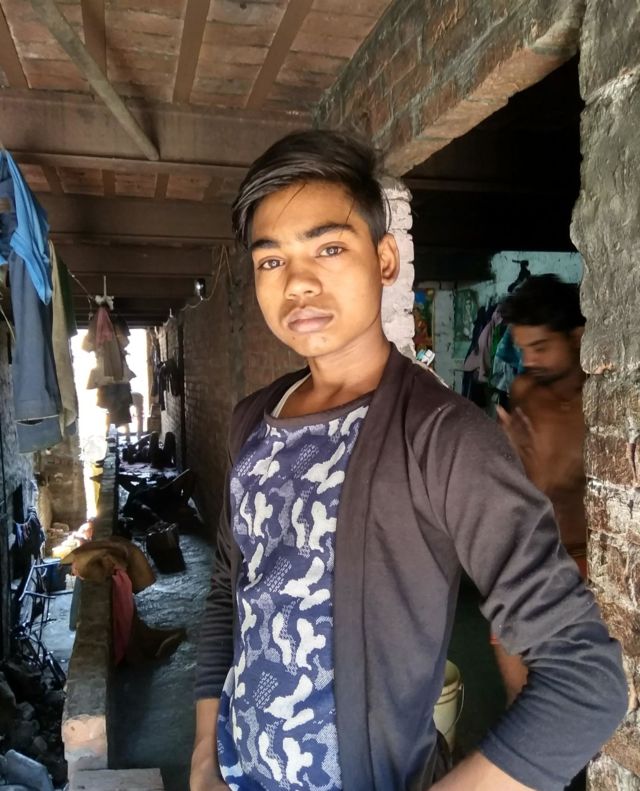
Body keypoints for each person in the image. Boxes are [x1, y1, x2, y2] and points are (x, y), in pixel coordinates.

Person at [190, 131, 627, 791]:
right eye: (271, 260)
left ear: (385, 258)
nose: (298, 283)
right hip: (235, 769)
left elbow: (586, 680)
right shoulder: (253, 418)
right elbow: (231, 585)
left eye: (329, 248)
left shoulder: (444, 438)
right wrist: (205, 755)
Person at [496, 275, 587, 704]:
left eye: (541, 347)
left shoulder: (604, 405)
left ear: (577, 337)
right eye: (524, 349)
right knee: (521, 697)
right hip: (532, 560)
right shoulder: (525, 392)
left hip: (588, 564)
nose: (529, 361)